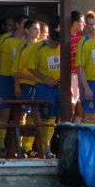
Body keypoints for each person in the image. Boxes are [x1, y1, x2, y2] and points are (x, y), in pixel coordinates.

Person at [0, 14, 28, 157]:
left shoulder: (31, 41)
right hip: (6, 78)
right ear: (17, 25)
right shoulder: (5, 38)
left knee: (22, 113)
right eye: (24, 24)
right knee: (5, 112)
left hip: (23, 80)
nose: (26, 28)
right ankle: (1, 145)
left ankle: (20, 146)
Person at [28, 28, 62, 159]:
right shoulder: (39, 48)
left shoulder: (61, 48)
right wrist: (45, 79)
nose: (56, 46)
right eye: (55, 43)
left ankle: (48, 147)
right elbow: (31, 67)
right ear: (50, 39)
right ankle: (43, 147)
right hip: (44, 86)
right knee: (45, 117)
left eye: (58, 44)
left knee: (54, 117)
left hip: (57, 86)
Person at [11, 19, 41, 157]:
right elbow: (14, 71)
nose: (38, 31)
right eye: (35, 28)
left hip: (39, 87)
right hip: (25, 86)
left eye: (39, 28)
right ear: (27, 31)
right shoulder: (22, 48)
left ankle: (27, 148)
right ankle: (18, 147)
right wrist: (18, 86)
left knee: (36, 117)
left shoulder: (41, 46)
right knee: (23, 115)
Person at [70, 11, 86, 124]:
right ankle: (66, 134)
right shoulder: (64, 37)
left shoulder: (83, 38)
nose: (84, 24)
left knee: (81, 110)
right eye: (82, 22)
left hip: (81, 76)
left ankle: (74, 135)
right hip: (71, 76)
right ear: (76, 22)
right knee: (71, 106)